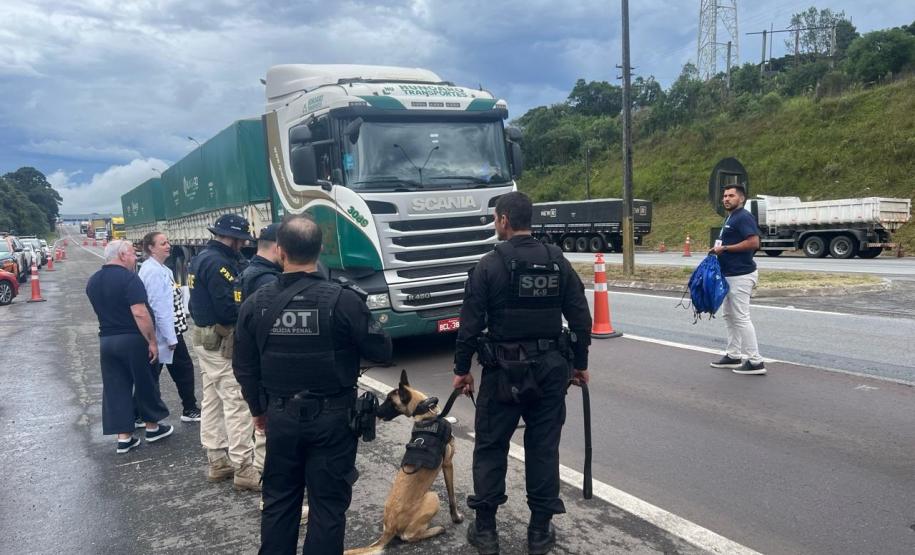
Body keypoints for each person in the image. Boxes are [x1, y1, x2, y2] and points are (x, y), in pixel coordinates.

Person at [233, 214, 392, 555]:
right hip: (333, 419)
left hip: (280, 416)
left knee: (279, 501)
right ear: (320, 250)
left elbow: (243, 365)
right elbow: (382, 351)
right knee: (328, 506)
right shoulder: (344, 300)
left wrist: (258, 409)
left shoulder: (255, 304)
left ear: (280, 251)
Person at [452, 191, 592, 555]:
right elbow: (580, 318)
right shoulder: (557, 260)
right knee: (543, 447)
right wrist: (579, 364)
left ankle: (486, 531)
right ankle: (540, 533)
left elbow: (469, 325)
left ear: (503, 220)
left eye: (495, 219)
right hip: (550, 370)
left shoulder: (488, 266)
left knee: (490, 445)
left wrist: (462, 370)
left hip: (502, 372)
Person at [188, 214, 259, 490]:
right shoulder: (219, 264)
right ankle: (243, 467)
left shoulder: (201, 258)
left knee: (213, 399)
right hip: (221, 342)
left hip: (204, 339)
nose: (243, 245)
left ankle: (217, 459)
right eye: (242, 240)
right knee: (236, 400)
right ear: (232, 238)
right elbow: (227, 308)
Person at [86, 240, 174, 454]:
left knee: (115, 387)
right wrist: (152, 341)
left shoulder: (93, 281)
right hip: (132, 339)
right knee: (144, 382)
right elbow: (139, 312)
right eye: (133, 254)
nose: (136, 258)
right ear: (122, 255)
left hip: (107, 340)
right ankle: (152, 427)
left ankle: (124, 438)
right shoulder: (129, 278)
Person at [138, 231, 201, 422]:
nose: (168, 246)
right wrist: (170, 337)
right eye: (163, 243)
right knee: (180, 370)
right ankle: (189, 409)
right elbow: (159, 307)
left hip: (168, 331)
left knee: (158, 373)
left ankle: (139, 413)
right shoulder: (154, 272)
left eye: (168, 242)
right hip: (165, 332)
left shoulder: (161, 269)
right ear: (151, 248)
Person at [709, 184, 766, 375]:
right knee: (729, 315)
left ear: (741, 199)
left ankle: (755, 361)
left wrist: (725, 248)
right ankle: (733, 355)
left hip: (741, 275)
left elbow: (754, 242)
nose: (726, 199)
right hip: (729, 274)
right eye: (725, 196)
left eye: (731, 196)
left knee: (741, 317)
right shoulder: (731, 217)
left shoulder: (743, 217)